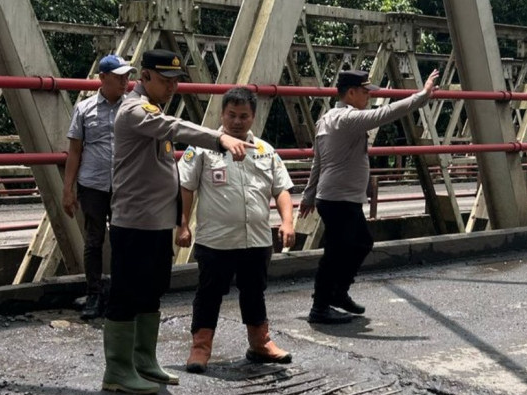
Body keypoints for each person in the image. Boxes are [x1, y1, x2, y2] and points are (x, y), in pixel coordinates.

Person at [102, 49, 255, 395]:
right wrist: (219, 138)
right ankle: (117, 369)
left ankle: (143, 360)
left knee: (152, 290)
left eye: (176, 81)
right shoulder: (134, 110)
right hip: (134, 221)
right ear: (145, 78)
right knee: (126, 292)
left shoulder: (154, 109)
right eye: (165, 80)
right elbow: (173, 127)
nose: (172, 87)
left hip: (156, 222)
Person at [299, 68, 440, 324]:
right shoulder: (348, 118)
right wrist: (423, 95)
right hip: (339, 199)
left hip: (335, 197)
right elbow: (386, 113)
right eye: (365, 92)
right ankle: (322, 306)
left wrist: (309, 196)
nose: (369, 97)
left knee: (350, 246)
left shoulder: (327, 119)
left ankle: (336, 295)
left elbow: (317, 163)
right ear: (351, 93)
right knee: (343, 249)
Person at [176, 87, 295, 373]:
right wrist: (182, 224)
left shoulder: (266, 151)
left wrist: (288, 222)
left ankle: (260, 343)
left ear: (253, 117)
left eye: (244, 116)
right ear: (222, 114)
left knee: (254, 291)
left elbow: (281, 190)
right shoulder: (202, 148)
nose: (237, 121)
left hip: (256, 238)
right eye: (232, 115)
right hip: (216, 240)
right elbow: (185, 187)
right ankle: (200, 348)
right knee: (209, 293)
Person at [62, 55, 136, 320]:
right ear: (103, 79)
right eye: (119, 78)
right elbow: (74, 151)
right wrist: (67, 189)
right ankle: (94, 294)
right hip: (92, 183)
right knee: (94, 240)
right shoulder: (84, 109)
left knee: (124, 240)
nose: (125, 82)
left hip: (125, 185)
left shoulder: (135, 107)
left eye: (127, 77)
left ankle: (120, 294)